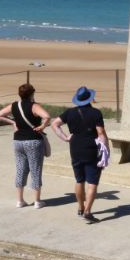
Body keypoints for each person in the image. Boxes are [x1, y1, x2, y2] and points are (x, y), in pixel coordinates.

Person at [51, 86, 109, 223]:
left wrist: (65, 137)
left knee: (79, 180)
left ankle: (80, 207)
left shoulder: (70, 112)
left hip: (75, 147)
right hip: (91, 149)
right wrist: (106, 150)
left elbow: (55, 124)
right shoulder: (96, 113)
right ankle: (88, 211)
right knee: (93, 181)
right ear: (90, 98)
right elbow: (101, 133)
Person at [0, 83, 51, 209]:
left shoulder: (14, 105)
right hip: (33, 141)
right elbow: (47, 116)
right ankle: (37, 201)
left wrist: (13, 122)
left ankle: (20, 201)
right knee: (35, 170)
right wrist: (42, 126)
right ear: (32, 94)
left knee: (21, 169)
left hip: (18, 141)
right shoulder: (34, 106)